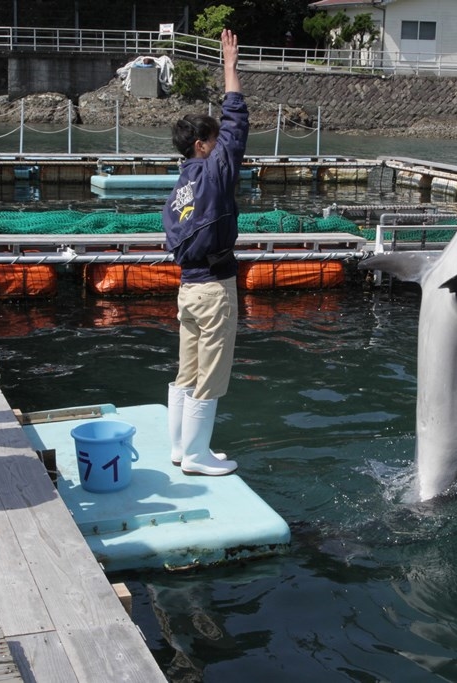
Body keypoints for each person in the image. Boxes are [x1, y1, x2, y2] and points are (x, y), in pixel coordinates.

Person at [162, 29, 248, 476]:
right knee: (209, 376)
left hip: (188, 290)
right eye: (214, 141)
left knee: (186, 371)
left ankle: (181, 448)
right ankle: (195, 457)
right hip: (213, 291)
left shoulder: (181, 184)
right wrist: (230, 67)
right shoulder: (213, 173)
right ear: (201, 145)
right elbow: (235, 122)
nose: (222, 147)